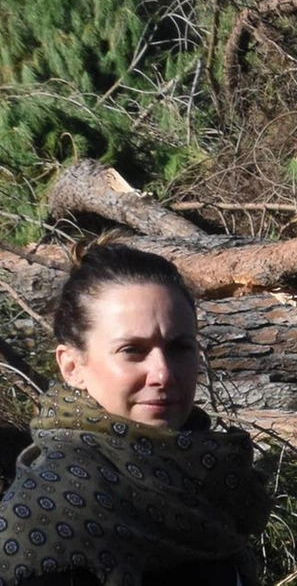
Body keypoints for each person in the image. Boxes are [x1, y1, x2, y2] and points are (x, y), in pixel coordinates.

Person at [0, 244, 269, 586]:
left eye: (179, 347)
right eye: (132, 350)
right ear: (71, 366)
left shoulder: (208, 476)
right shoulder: (52, 514)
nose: (163, 373)